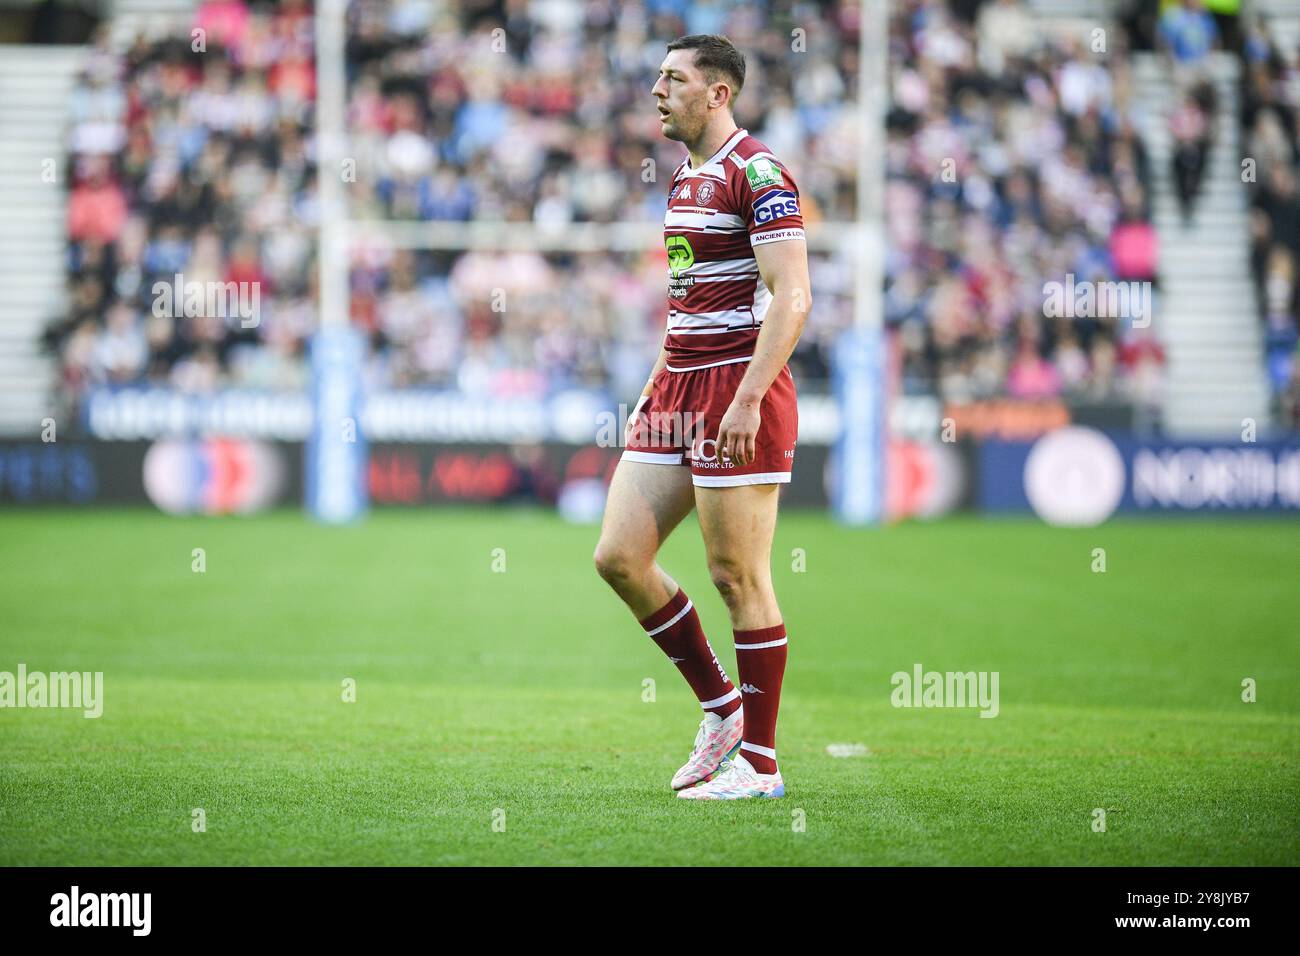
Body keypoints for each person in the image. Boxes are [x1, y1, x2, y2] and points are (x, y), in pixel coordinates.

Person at [593, 34, 812, 800]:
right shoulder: (684, 178)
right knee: (618, 555)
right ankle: (722, 709)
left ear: (717, 93)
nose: (656, 89)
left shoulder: (758, 171)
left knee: (736, 576)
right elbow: (687, 301)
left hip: (735, 388)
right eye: (657, 75)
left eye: (673, 78)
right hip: (677, 391)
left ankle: (761, 766)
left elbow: (793, 296)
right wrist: (653, 389)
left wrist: (750, 397)